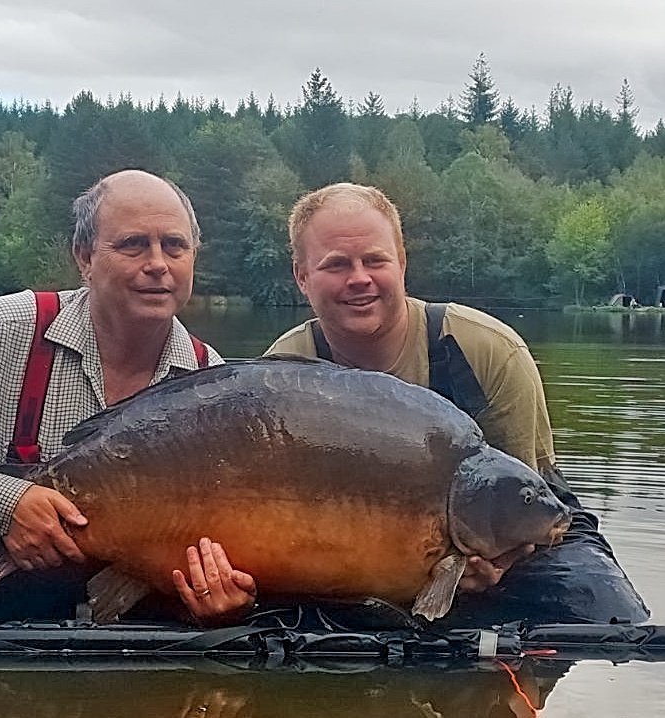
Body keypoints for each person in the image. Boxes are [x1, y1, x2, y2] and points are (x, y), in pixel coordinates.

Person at [0, 169, 256, 627]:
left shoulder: (209, 376)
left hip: (145, 634)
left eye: (174, 246)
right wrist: (7, 505)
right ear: (85, 257)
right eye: (133, 244)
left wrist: (222, 598)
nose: (158, 263)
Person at [266, 182, 648, 625]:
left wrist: (496, 562)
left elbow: (520, 496)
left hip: (509, 536)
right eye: (336, 265)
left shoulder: (487, 349)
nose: (359, 278)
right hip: (355, 543)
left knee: (609, 616)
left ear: (402, 263)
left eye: (375, 260)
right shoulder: (284, 372)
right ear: (301, 276)